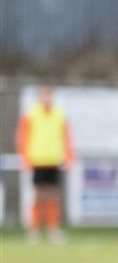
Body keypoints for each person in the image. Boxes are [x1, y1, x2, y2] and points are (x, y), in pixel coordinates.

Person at [15, 85, 75, 244]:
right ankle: (33, 229)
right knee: (38, 195)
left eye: (49, 95)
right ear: (39, 97)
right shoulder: (31, 113)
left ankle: (52, 229)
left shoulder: (59, 113)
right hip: (37, 160)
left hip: (54, 159)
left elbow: (66, 136)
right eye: (43, 95)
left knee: (53, 195)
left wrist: (69, 156)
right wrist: (24, 157)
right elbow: (22, 136)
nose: (47, 98)